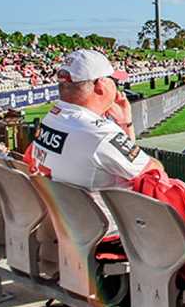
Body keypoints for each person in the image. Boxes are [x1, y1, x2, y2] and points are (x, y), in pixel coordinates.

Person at [25, 49, 162, 196]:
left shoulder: (52, 118)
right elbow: (153, 172)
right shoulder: (100, 133)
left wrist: (124, 123)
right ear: (101, 86)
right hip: (106, 217)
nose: (117, 88)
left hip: (65, 213)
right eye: (114, 81)